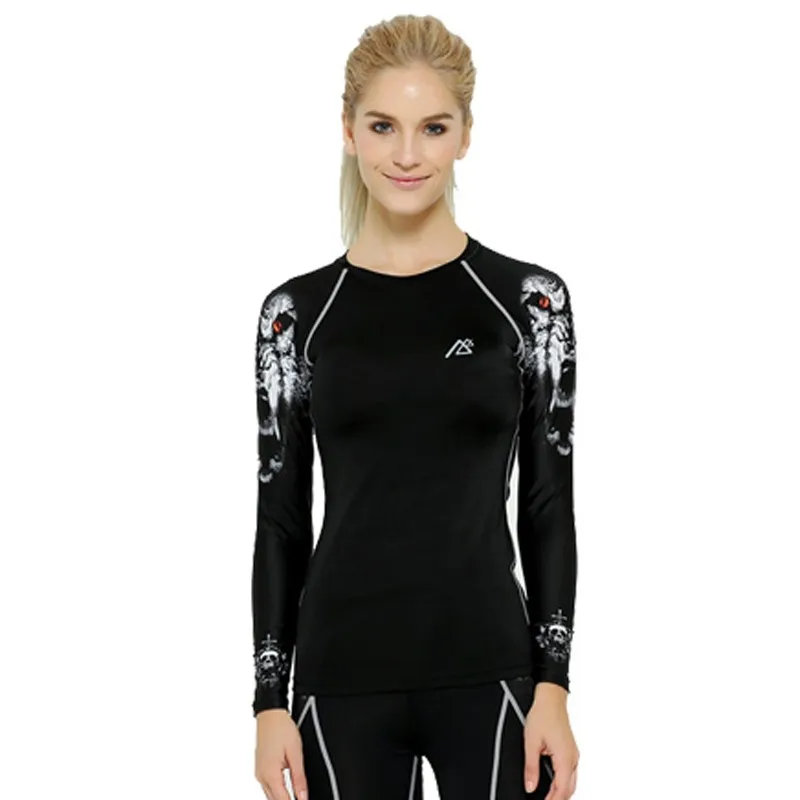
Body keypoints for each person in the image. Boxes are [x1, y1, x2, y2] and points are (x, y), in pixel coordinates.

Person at [251, 14, 579, 800]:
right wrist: (268, 700)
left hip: (491, 674)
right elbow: (281, 516)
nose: (406, 155)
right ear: (347, 131)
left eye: (432, 128)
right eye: (382, 127)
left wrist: (554, 686)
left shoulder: (529, 304)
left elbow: (547, 504)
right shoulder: (296, 315)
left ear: (465, 135)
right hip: (341, 681)